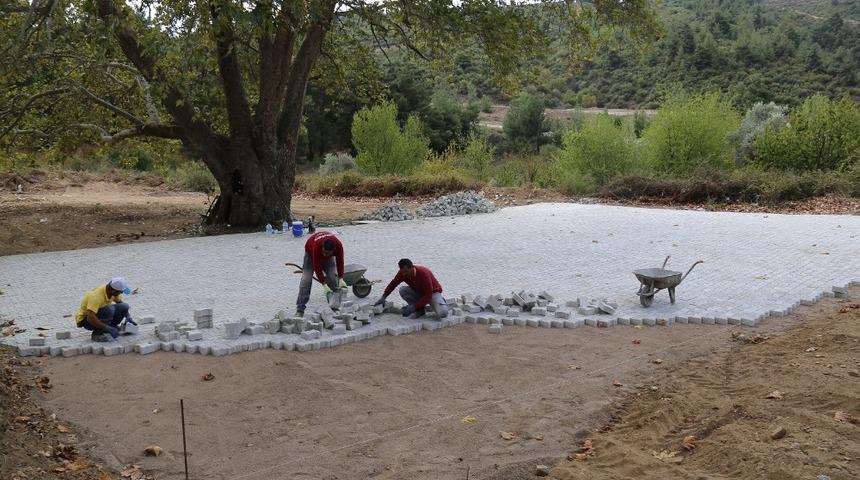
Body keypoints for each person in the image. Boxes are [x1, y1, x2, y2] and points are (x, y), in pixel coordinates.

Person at [375, 258, 448, 319]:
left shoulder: (423, 274)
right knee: (403, 290)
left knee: (442, 313)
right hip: (419, 292)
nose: (404, 274)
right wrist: (384, 296)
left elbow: (428, 295)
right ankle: (420, 310)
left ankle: (441, 302)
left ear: (412, 268)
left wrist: (413, 307)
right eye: (402, 272)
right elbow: (393, 283)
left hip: (432, 293)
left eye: (406, 272)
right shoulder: (402, 273)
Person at [296, 231, 346, 316]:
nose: (325, 254)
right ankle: (300, 309)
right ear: (322, 247)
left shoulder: (338, 246)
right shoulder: (317, 247)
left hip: (328, 257)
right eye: (324, 251)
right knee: (306, 280)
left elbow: (340, 261)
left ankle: (334, 306)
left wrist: (341, 277)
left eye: (327, 253)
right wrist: (324, 284)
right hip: (310, 254)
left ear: (333, 250)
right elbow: (317, 267)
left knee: (333, 277)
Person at [75, 277, 133, 342]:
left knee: (124, 306)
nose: (121, 293)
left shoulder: (112, 291)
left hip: (99, 314)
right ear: (113, 290)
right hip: (85, 321)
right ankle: (97, 334)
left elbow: (121, 304)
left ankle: (112, 327)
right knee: (109, 310)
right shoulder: (96, 297)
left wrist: (128, 316)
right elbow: (90, 317)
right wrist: (107, 328)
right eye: (120, 292)